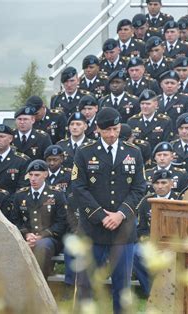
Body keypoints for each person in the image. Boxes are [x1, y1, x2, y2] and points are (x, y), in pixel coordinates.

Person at [72, 108, 146, 313]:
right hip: (92, 231)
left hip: (123, 232)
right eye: (107, 130)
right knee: (85, 285)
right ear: (97, 129)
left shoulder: (133, 152)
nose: (112, 134)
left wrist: (120, 214)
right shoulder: (85, 152)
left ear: (120, 126)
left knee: (121, 288)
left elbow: (140, 188)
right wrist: (101, 216)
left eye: (115, 129)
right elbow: (78, 187)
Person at [12, 159, 67, 278]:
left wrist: (41, 236)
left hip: (50, 238)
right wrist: (27, 235)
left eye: (37, 175)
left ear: (45, 175)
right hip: (27, 237)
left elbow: (61, 222)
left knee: (42, 247)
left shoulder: (56, 194)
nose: (33, 178)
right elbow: (15, 220)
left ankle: (40, 287)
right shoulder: (20, 195)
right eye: (30, 175)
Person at [134, 169, 182, 296]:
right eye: (156, 183)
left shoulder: (180, 200)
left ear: (171, 183)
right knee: (135, 253)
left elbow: (185, 228)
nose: (160, 186)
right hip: (152, 242)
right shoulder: (146, 201)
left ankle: (173, 292)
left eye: (163, 182)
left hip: (174, 243)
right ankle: (151, 292)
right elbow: (141, 228)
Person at [127, 89, 174, 155]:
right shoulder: (132, 121)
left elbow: (166, 143)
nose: (145, 106)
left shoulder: (165, 121)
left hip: (157, 159)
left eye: (148, 104)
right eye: (142, 104)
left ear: (156, 104)